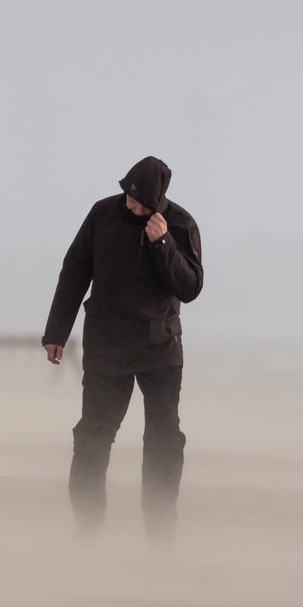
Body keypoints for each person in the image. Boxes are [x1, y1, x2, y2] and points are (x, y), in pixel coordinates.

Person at [41, 156, 204, 549]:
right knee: (92, 438)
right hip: (107, 346)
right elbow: (75, 269)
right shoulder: (102, 214)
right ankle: (87, 530)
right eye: (128, 198)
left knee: (164, 440)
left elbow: (190, 287)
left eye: (140, 205)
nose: (131, 208)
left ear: (158, 202)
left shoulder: (179, 224)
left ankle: (161, 535)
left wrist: (161, 243)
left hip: (160, 349)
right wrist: (56, 332)